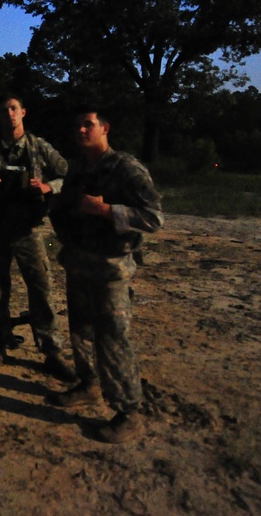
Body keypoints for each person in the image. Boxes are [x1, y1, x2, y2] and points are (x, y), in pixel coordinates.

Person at [48, 107, 163, 444]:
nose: (82, 130)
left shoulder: (126, 169)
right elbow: (67, 206)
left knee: (114, 339)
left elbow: (154, 218)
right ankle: (89, 384)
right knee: (80, 330)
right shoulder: (78, 169)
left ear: (105, 129)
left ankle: (129, 413)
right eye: (77, 125)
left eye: (89, 125)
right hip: (79, 263)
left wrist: (106, 210)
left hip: (111, 269)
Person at [0, 95, 75, 381]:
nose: (9, 114)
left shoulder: (38, 146)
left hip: (28, 228)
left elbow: (67, 175)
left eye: (13, 109)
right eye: (3, 109)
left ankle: (51, 350)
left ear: (23, 113)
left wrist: (47, 187)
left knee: (41, 287)